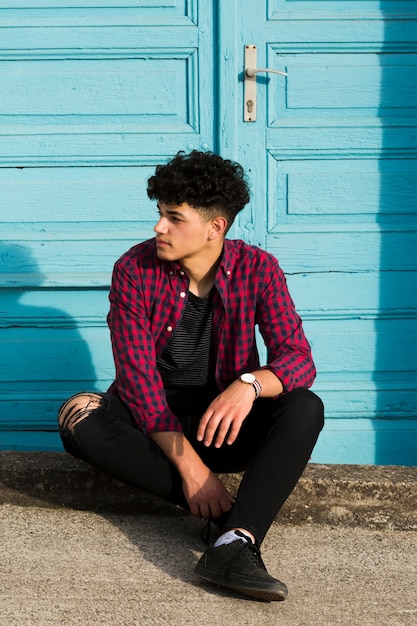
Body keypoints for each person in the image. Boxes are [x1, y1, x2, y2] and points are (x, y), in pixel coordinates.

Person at [58, 150, 324, 602]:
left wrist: (249, 385)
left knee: (305, 406)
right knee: (78, 414)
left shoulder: (259, 269)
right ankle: (234, 530)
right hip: (156, 429)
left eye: (173, 217)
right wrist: (192, 470)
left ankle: (235, 537)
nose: (159, 227)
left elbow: (298, 358)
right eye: (159, 213)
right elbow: (138, 382)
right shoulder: (134, 270)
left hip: (224, 425)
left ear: (214, 227)